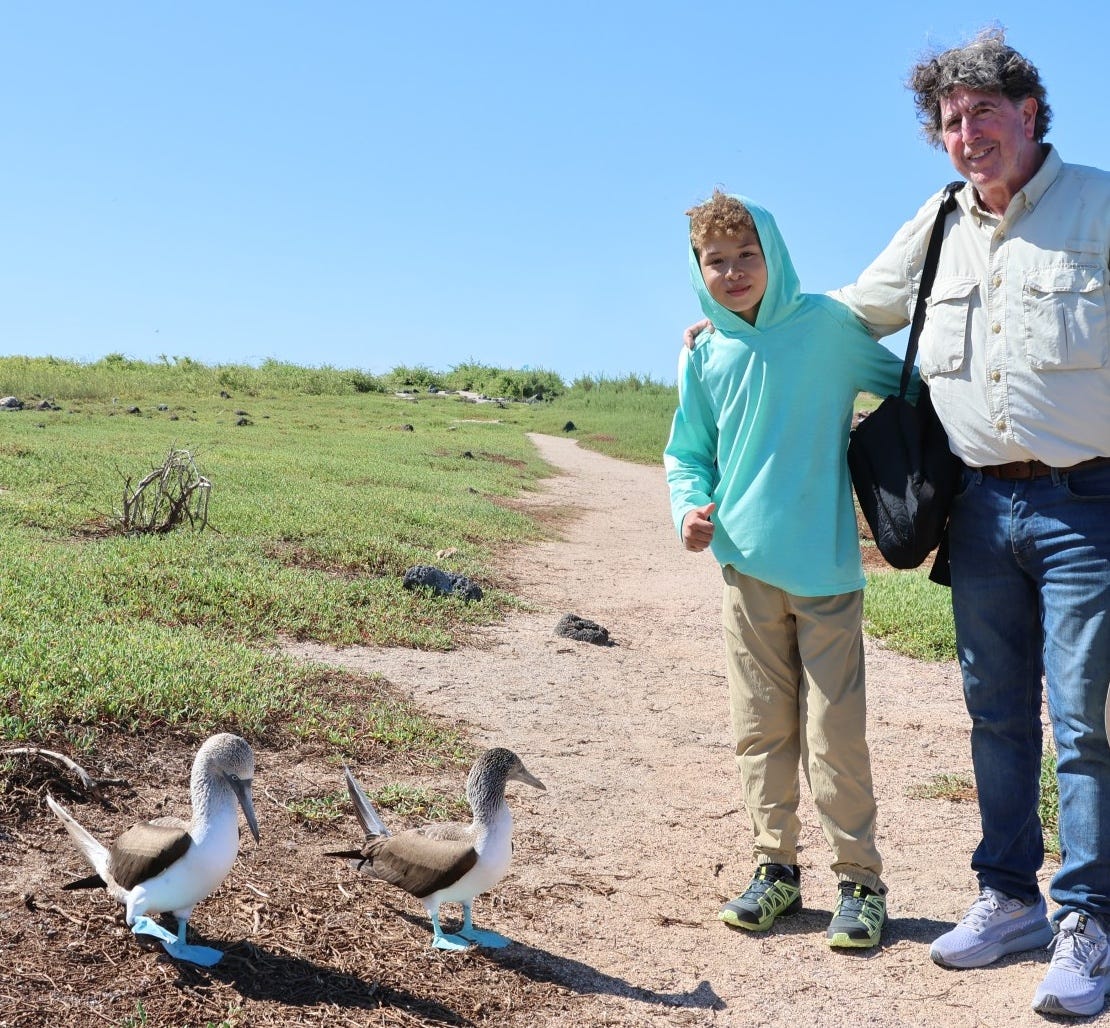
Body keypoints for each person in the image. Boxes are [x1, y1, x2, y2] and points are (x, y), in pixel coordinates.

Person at [685, 29, 1110, 1018]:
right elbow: (846, 311)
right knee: (995, 713)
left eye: (985, 112)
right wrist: (737, 323)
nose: (968, 134)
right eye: (951, 121)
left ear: (1029, 113)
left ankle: (1089, 920)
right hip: (979, 506)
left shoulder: (1099, 206)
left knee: (1083, 721)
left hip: (1088, 502)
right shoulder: (937, 223)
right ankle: (1010, 898)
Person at [665, 189, 914, 950]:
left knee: (836, 735)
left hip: (828, 573)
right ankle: (774, 868)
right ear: (698, 271)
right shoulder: (705, 353)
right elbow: (687, 452)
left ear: (773, 255)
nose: (734, 272)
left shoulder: (827, 328)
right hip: (745, 572)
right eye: (716, 262)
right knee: (760, 730)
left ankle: (860, 882)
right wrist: (689, 508)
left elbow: (912, 385)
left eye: (748, 255)